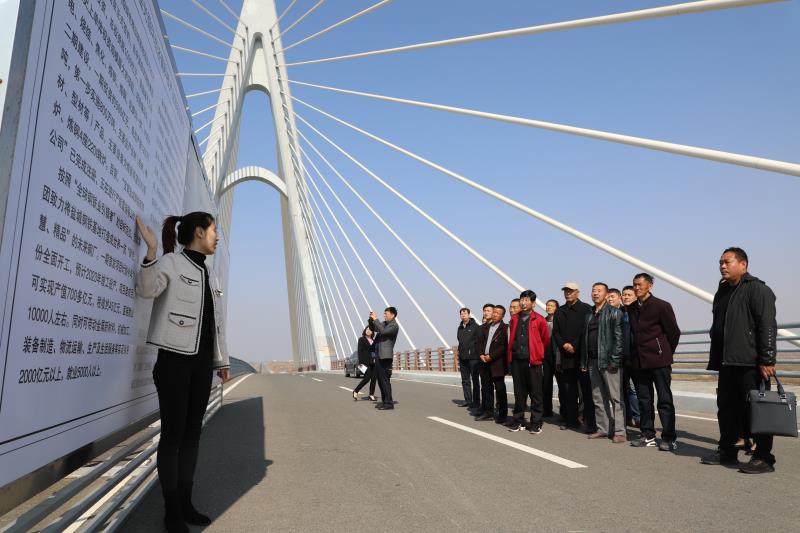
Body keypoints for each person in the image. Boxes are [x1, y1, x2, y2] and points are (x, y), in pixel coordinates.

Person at [135, 213, 230, 533]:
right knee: (173, 436)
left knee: (193, 435)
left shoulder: (211, 275)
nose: (218, 237)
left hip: (201, 366)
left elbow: (216, 325)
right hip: (174, 362)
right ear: (199, 232)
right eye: (214, 231)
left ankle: (187, 502)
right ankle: (172, 509)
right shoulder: (171, 263)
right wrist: (151, 252)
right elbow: (147, 290)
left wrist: (222, 362)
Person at [701, 247, 778, 474]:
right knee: (726, 409)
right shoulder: (723, 291)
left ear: (743, 265)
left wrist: (767, 359)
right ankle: (727, 451)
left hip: (751, 362)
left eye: (727, 262)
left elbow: (767, 326)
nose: (722, 266)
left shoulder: (758, 290)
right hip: (727, 362)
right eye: (720, 262)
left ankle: (763, 457)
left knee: (758, 410)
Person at [628, 273, 681, 451]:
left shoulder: (662, 306)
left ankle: (669, 437)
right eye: (634, 285)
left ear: (650, 286)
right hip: (639, 361)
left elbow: (674, 333)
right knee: (644, 400)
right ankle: (648, 434)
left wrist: (664, 352)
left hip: (659, 360)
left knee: (664, 400)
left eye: (640, 284)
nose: (637, 288)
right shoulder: (631, 308)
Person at [581, 283, 626, 442]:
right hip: (593, 361)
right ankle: (603, 429)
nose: (595, 293)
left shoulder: (615, 313)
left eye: (599, 291)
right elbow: (585, 340)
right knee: (598, 398)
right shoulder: (589, 315)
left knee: (615, 398)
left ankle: (620, 432)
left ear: (606, 295)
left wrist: (615, 360)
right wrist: (584, 362)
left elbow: (619, 338)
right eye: (593, 290)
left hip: (609, 362)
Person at [552, 282, 595, 432]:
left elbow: (586, 331)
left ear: (577, 292)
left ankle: (589, 422)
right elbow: (556, 332)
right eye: (566, 291)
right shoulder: (560, 311)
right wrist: (564, 344)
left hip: (582, 356)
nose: (567, 293)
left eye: (570, 291)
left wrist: (574, 345)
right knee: (569, 391)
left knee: (586, 392)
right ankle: (571, 421)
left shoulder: (586, 309)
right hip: (566, 357)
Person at [506, 290, 550, 434]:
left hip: (533, 362)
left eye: (526, 300)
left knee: (536, 394)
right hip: (517, 360)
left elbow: (545, 340)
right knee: (519, 393)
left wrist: (537, 352)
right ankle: (518, 421)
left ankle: (536, 423)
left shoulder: (539, 319)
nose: (523, 303)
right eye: (522, 300)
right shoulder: (514, 319)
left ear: (533, 303)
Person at [476, 305, 510, 423]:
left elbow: (504, 346)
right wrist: (481, 354)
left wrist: (491, 356)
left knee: (500, 389)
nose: (494, 314)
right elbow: (479, 342)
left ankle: (502, 414)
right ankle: (488, 412)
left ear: (502, 316)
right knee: (487, 388)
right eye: (494, 312)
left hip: (497, 362)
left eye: (497, 313)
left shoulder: (505, 328)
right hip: (484, 361)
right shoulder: (485, 327)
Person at [618, 286, 641, 428]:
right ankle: (627, 418)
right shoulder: (619, 313)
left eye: (629, 295)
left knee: (636, 389)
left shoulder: (639, 312)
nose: (626, 297)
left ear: (635, 296)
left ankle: (638, 418)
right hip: (622, 358)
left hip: (637, 358)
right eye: (624, 295)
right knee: (624, 389)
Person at [369, 307, 399, 410]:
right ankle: (384, 401)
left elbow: (383, 332)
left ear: (392, 315)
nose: (384, 315)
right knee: (380, 381)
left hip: (385, 357)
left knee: (385, 380)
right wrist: (371, 320)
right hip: (379, 356)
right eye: (384, 313)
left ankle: (389, 403)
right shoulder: (384, 324)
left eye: (386, 313)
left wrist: (376, 319)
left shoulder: (394, 326)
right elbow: (374, 328)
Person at [456, 308, 481, 411]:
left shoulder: (475, 326)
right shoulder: (460, 328)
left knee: (475, 380)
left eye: (465, 313)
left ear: (469, 314)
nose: (463, 315)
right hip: (463, 357)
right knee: (465, 380)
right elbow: (460, 341)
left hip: (473, 358)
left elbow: (479, 341)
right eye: (461, 314)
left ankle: (476, 401)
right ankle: (468, 400)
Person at [543, 299, 563, 419]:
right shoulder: (543, 321)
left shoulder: (560, 321)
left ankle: (564, 412)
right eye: (547, 305)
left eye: (551, 305)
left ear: (557, 308)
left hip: (558, 356)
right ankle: (546, 410)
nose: (549, 307)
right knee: (546, 384)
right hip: (546, 357)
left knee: (562, 385)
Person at [352, 326, 377, 401]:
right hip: (365, 362)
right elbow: (359, 351)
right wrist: (360, 363)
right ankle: (356, 391)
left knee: (374, 379)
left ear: (372, 332)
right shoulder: (361, 339)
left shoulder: (373, 340)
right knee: (367, 378)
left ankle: (371, 395)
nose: (368, 330)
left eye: (370, 330)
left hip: (373, 362)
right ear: (365, 330)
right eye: (367, 329)